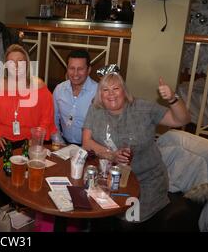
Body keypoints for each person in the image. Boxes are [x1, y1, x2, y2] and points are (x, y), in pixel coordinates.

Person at [82, 73, 191, 226]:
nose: (111, 93)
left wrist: (172, 99)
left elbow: (182, 120)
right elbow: (86, 142)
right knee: (91, 211)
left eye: (116, 88)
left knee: (128, 220)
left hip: (146, 181)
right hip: (109, 179)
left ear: (124, 91)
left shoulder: (143, 108)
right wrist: (111, 155)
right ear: (100, 94)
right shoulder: (95, 109)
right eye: (105, 90)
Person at [0, 44, 57, 148]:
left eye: (20, 62)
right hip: (1, 140)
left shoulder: (38, 85)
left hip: (30, 140)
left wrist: (36, 137)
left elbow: (47, 116)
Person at [53, 50, 97, 146]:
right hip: (63, 144)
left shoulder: (98, 92)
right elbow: (54, 120)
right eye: (71, 68)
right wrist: (59, 142)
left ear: (89, 70)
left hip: (90, 148)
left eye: (80, 69)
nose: (75, 73)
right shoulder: (59, 90)